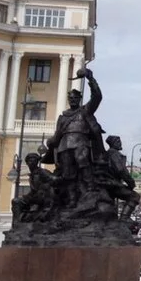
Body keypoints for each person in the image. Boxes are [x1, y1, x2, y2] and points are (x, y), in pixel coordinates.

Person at [43, 67, 104, 209]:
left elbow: (97, 97)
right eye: (70, 98)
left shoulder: (85, 110)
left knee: (81, 159)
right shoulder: (63, 117)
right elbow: (58, 134)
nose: (72, 100)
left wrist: (90, 78)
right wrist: (51, 141)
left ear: (79, 99)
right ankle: (72, 199)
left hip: (81, 141)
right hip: (65, 145)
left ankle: (90, 186)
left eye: (75, 98)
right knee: (67, 172)